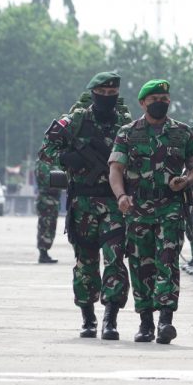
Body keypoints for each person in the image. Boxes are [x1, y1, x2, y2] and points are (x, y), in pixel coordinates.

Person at [109, 79, 193, 345]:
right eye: (154, 100)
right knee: (140, 266)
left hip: (170, 207)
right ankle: (145, 322)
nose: (160, 103)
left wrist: (185, 180)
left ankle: (165, 321)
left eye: (164, 99)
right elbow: (115, 170)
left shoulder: (182, 133)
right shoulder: (128, 133)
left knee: (168, 261)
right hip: (138, 209)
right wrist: (121, 196)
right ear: (143, 103)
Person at [38, 71, 131, 340]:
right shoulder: (74, 122)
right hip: (83, 204)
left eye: (112, 95)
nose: (107, 99)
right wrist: (68, 159)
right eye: (102, 95)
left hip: (114, 204)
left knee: (115, 261)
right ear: (93, 94)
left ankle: (110, 318)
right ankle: (88, 318)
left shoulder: (126, 125)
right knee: (86, 263)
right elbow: (46, 151)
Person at [34, 157, 61, 263]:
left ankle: (45, 253)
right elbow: (47, 180)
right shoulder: (43, 163)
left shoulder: (50, 163)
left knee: (50, 226)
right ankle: (43, 254)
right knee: (45, 226)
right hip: (46, 199)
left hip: (52, 199)